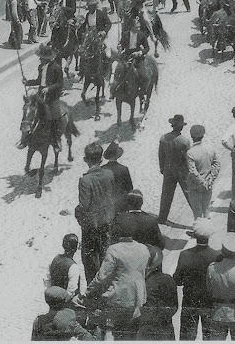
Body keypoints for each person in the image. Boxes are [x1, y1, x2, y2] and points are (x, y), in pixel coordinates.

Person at [79, 218, 149, 340]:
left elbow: (102, 277)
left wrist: (88, 292)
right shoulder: (144, 249)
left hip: (118, 301)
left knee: (110, 333)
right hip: (138, 300)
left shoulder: (114, 249)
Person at [74, 142, 116, 283]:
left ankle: (94, 292)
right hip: (107, 220)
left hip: (91, 225)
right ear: (101, 159)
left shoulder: (85, 180)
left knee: (90, 260)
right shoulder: (109, 174)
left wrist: (77, 213)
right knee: (105, 254)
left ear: (86, 159)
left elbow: (84, 205)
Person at [174, 218, 220, 340]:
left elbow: (177, 280)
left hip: (190, 300)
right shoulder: (217, 256)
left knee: (187, 337)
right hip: (210, 302)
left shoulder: (184, 254)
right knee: (209, 337)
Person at [23, 44, 64, 151]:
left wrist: (49, 88)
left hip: (53, 96)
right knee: (29, 111)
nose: (40, 59)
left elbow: (60, 83)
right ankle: (24, 138)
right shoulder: (40, 67)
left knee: (54, 116)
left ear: (47, 58)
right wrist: (27, 82)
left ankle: (56, 140)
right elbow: (38, 81)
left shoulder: (56, 68)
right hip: (41, 94)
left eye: (42, 58)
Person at [157, 114, 192, 224]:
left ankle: (162, 218)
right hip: (182, 171)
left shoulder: (163, 138)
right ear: (181, 127)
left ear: (172, 125)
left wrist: (162, 168)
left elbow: (160, 155)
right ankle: (199, 215)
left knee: (166, 194)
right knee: (189, 193)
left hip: (168, 169)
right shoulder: (184, 141)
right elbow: (188, 158)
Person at [138, 245, 178, 340]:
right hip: (165, 328)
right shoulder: (168, 280)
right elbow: (174, 306)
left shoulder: (139, 281)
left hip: (145, 329)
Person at [186, 124, 220, 219]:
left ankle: (198, 231)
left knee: (197, 212)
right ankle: (206, 230)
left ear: (192, 136)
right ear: (203, 135)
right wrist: (210, 180)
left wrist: (202, 182)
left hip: (195, 185)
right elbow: (217, 165)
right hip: (208, 184)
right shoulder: (210, 149)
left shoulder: (190, 153)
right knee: (206, 210)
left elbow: (193, 171)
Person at [102, 140, 133, 214]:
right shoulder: (123, 169)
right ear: (117, 156)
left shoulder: (102, 169)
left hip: (106, 204)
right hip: (121, 204)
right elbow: (129, 188)